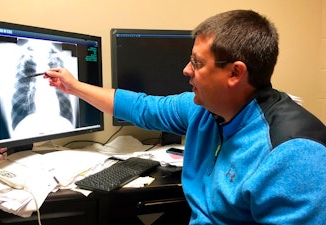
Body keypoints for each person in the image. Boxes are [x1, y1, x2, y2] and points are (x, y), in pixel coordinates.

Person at [44, 9, 326, 225]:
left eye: (197, 63)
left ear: (235, 73)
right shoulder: (203, 109)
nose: (186, 70)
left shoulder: (294, 155)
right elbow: (141, 107)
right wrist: (74, 87)